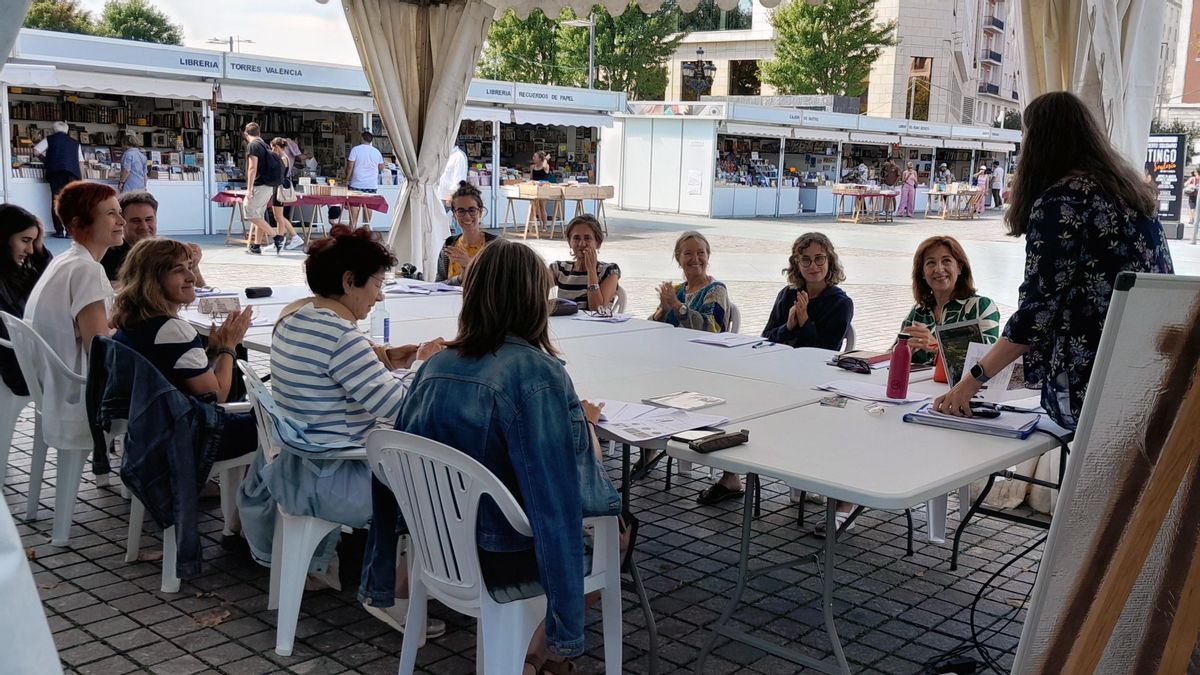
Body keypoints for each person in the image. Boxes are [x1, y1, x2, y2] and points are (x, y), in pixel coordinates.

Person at [360, 239, 619, 673]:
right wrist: (586, 426)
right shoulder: (539, 375)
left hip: (437, 546)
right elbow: (567, 491)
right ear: (535, 300)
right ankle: (541, 652)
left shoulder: (434, 367)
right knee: (620, 529)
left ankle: (535, 656)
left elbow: (397, 456)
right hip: (502, 552)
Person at [935, 91, 1174, 431]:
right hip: (1145, 372)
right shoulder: (1131, 196)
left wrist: (971, 382)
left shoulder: (1061, 201)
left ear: (1038, 143)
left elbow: (1038, 310)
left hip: (1090, 383)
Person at [264, 225, 444, 634]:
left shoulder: (295, 316)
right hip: (338, 476)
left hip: (299, 463)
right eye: (377, 284)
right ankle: (394, 588)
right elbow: (400, 410)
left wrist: (386, 360)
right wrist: (426, 365)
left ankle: (394, 575)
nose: (379, 295)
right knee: (444, 480)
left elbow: (340, 378)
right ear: (350, 281)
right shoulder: (340, 336)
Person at [698, 233, 854, 507]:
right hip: (779, 371)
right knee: (737, 397)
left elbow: (825, 350)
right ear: (796, 263)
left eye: (819, 258)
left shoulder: (840, 302)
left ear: (829, 261)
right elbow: (767, 337)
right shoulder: (787, 295)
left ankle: (805, 475)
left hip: (816, 380)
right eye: (805, 259)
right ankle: (731, 475)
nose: (813, 265)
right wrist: (790, 326)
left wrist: (804, 322)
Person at [110, 239, 255, 449]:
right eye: (179, 270)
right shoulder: (172, 330)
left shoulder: (130, 321)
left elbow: (173, 370)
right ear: (153, 280)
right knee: (272, 423)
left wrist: (212, 352)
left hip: (148, 428)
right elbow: (216, 397)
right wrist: (229, 346)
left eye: (189, 267)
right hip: (182, 436)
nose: (192, 277)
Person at [25, 181, 123, 374]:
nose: (122, 221)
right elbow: (100, 351)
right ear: (79, 223)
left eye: (119, 212)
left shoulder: (65, 261)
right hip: (80, 388)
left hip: (50, 380)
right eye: (111, 214)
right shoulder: (87, 269)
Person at [900, 235, 1001, 366]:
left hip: (964, 386)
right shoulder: (919, 311)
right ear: (923, 273)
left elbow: (988, 359)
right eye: (931, 263)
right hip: (918, 385)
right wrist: (901, 351)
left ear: (959, 267)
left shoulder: (980, 307)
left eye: (946, 261)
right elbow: (892, 356)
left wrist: (937, 346)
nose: (939, 269)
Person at [99, 191, 208, 288]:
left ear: (156, 219)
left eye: (149, 219)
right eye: (136, 221)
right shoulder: (107, 255)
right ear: (121, 222)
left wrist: (193, 267)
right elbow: (113, 290)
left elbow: (202, 291)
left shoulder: (168, 251)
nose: (144, 227)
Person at [0, 204, 53, 397]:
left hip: (21, 361)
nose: (30, 250)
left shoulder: (11, 272)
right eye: (25, 240)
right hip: (20, 368)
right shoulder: (6, 280)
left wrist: (40, 250)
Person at [650, 231, 730, 332]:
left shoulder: (716, 289)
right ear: (678, 259)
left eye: (701, 253)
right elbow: (651, 327)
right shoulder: (677, 290)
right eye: (688, 253)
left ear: (708, 256)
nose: (695, 259)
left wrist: (678, 307)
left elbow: (713, 328)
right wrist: (663, 311)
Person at [550, 214, 620, 310]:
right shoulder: (559, 269)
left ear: (598, 243)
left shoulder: (609, 271)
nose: (582, 244)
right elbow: (535, 287)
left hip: (594, 324)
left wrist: (591, 270)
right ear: (569, 242)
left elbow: (597, 309)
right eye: (576, 238)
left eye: (587, 238)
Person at [437, 182, 497, 285]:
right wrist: (460, 278)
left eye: (472, 210)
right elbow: (439, 284)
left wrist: (470, 265)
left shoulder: (496, 246)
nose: (467, 216)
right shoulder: (449, 244)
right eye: (461, 211)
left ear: (481, 211)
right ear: (454, 215)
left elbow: (500, 283)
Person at [33, 121, 85, 238]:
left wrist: (46, 160)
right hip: (72, 174)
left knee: (56, 201)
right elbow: (81, 162)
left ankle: (59, 231)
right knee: (70, 202)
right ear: (67, 131)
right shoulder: (75, 143)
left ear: (53, 130)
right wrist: (81, 179)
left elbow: (35, 151)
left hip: (55, 174)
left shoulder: (49, 139)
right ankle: (70, 231)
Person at [241, 123, 283, 256]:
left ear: (246, 134)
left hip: (259, 185)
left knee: (250, 213)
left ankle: (276, 236)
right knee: (259, 215)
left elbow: (252, 167)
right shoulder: (264, 145)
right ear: (259, 133)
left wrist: (249, 188)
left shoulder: (253, 146)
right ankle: (256, 245)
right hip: (269, 185)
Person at [268, 138, 304, 250]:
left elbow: (279, 174)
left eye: (272, 148)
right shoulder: (283, 157)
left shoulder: (283, 158)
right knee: (278, 216)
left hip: (280, 189)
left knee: (279, 216)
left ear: (277, 147)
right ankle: (280, 240)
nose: (272, 150)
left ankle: (291, 237)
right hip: (278, 188)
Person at [346, 131, 385, 228]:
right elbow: (381, 167)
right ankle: (367, 226)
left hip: (356, 183)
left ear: (362, 138)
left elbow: (350, 166)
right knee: (369, 206)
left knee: (354, 205)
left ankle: (353, 226)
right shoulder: (376, 152)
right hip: (371, 184)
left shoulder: (356, 150)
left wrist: (347, 178)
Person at [529, 151, 553, 230]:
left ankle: (544, 226)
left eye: (535, 157)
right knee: (534, 207)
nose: (533, 158)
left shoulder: (545, 166)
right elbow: (531, 178)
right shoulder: (532, 167)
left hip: (543, 188)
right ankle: (533, 226)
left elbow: (545, 166)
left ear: (539, 159)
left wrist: (545, 159)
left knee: (542, 206)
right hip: (535, 188)